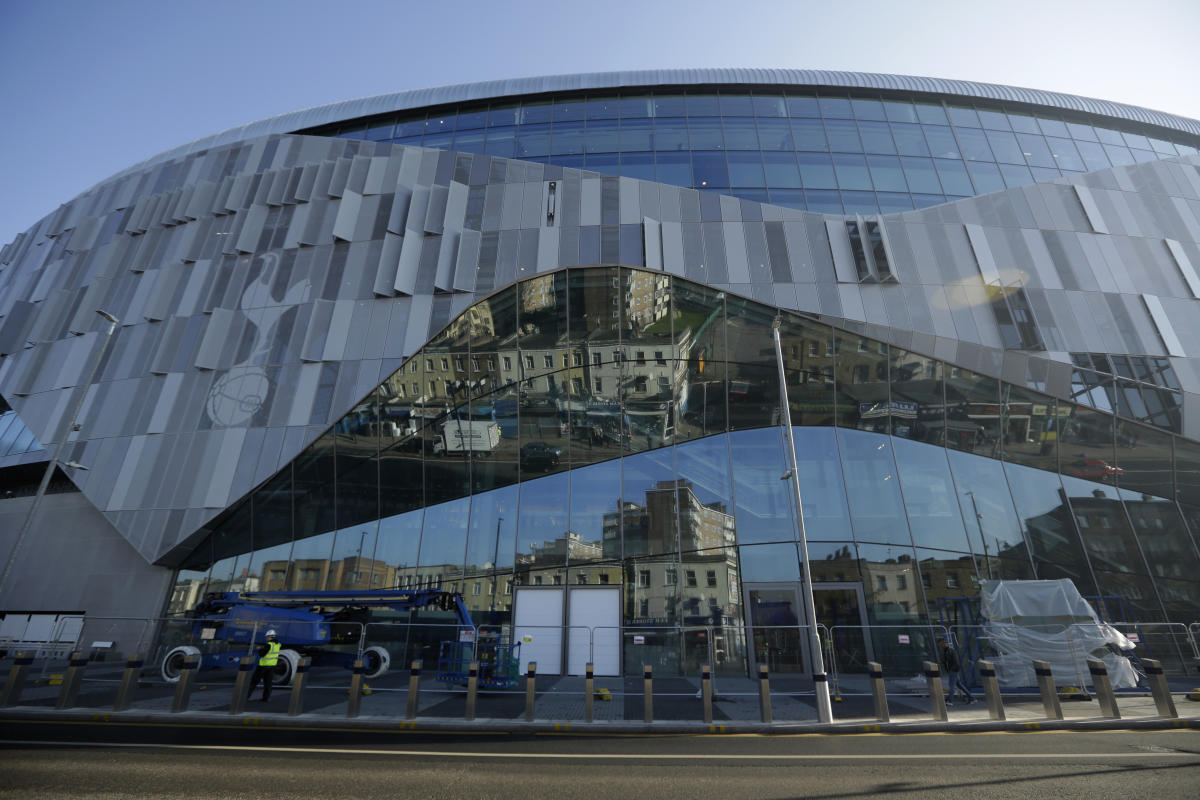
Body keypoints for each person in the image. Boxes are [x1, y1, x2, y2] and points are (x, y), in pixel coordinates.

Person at [247, 629, 281, 702]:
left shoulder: (268, 645)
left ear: (270, 637)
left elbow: (262, 654)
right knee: (268, 683)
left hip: (263, 666)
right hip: (272, 666)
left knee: (254, 682)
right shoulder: (278, 644)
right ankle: (266, 698)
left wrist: (259, 649)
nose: (266, 638)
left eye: (267, 637)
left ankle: (246, 697)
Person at [939, 639, 975, 705]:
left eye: (942, 643)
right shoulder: (946, 650)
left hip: (953, 670)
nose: (941, 645)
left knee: (952, 686)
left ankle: (950, 701)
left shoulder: (950, 650)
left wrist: (951, 668)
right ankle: (971, 698)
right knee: (959, 685)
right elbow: (946, 661)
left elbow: (954, 661)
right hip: (953, 670)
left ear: (946, 644)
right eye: (941, 644)